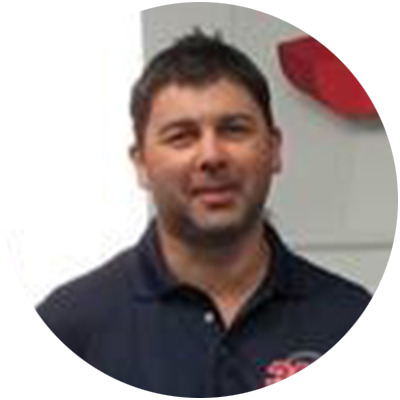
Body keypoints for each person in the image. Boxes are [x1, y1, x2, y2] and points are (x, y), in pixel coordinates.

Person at [37, 30, 371, 397]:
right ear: (142, 164)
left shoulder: (352, 320)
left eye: (234, 130)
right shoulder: (68, 330)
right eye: (181, 136)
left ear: (274, 150)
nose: (211, 156)